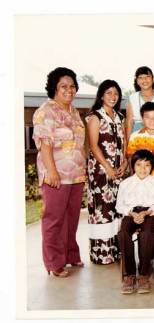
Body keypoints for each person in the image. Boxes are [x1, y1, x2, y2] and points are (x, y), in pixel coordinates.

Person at [32, 67, 86, 277]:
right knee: (54, 219)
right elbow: (45, 145)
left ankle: (71, 255)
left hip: (77, 175)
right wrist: (51, 172)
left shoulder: (74, 111)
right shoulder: (46, 111)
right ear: (54, 87)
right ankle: (54, 263)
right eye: (64, 86)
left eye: (72, 86)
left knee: (72, 218)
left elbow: (79, 144)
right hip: (56, 174)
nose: (69, 90)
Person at [86, 79, 127, 264]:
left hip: (118, 170)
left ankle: (116, 249)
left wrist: (125, 162)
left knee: (117, 208)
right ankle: (102, 254)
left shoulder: (120, 116)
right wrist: (108, 168)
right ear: (101, 95)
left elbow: (124, 143)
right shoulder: (95, 117)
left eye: (116, 93)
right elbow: (93, 146)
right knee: (102, 210)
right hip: (101, 171)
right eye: (109, 93)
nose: (113, 96)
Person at [116, 150, 154, 294]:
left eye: (147, 165)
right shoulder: (125, 184)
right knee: (123, 233)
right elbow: (119, 205)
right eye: (139, 165)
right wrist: (131, 212)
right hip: (131, 213)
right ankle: (129, 275)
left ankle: (143, 275)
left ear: (152, 167)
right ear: (133, 166)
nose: (143, 169)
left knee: (147, 233)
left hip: (150, 213)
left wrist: (146, 212)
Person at [125, 66, 154, 139]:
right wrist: (128, 142)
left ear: (153, 79)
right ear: (136, 81)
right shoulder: (132, 98)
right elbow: (129, 122)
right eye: (140, 77)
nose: (144, 80)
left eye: (147, 76)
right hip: (137, 137)